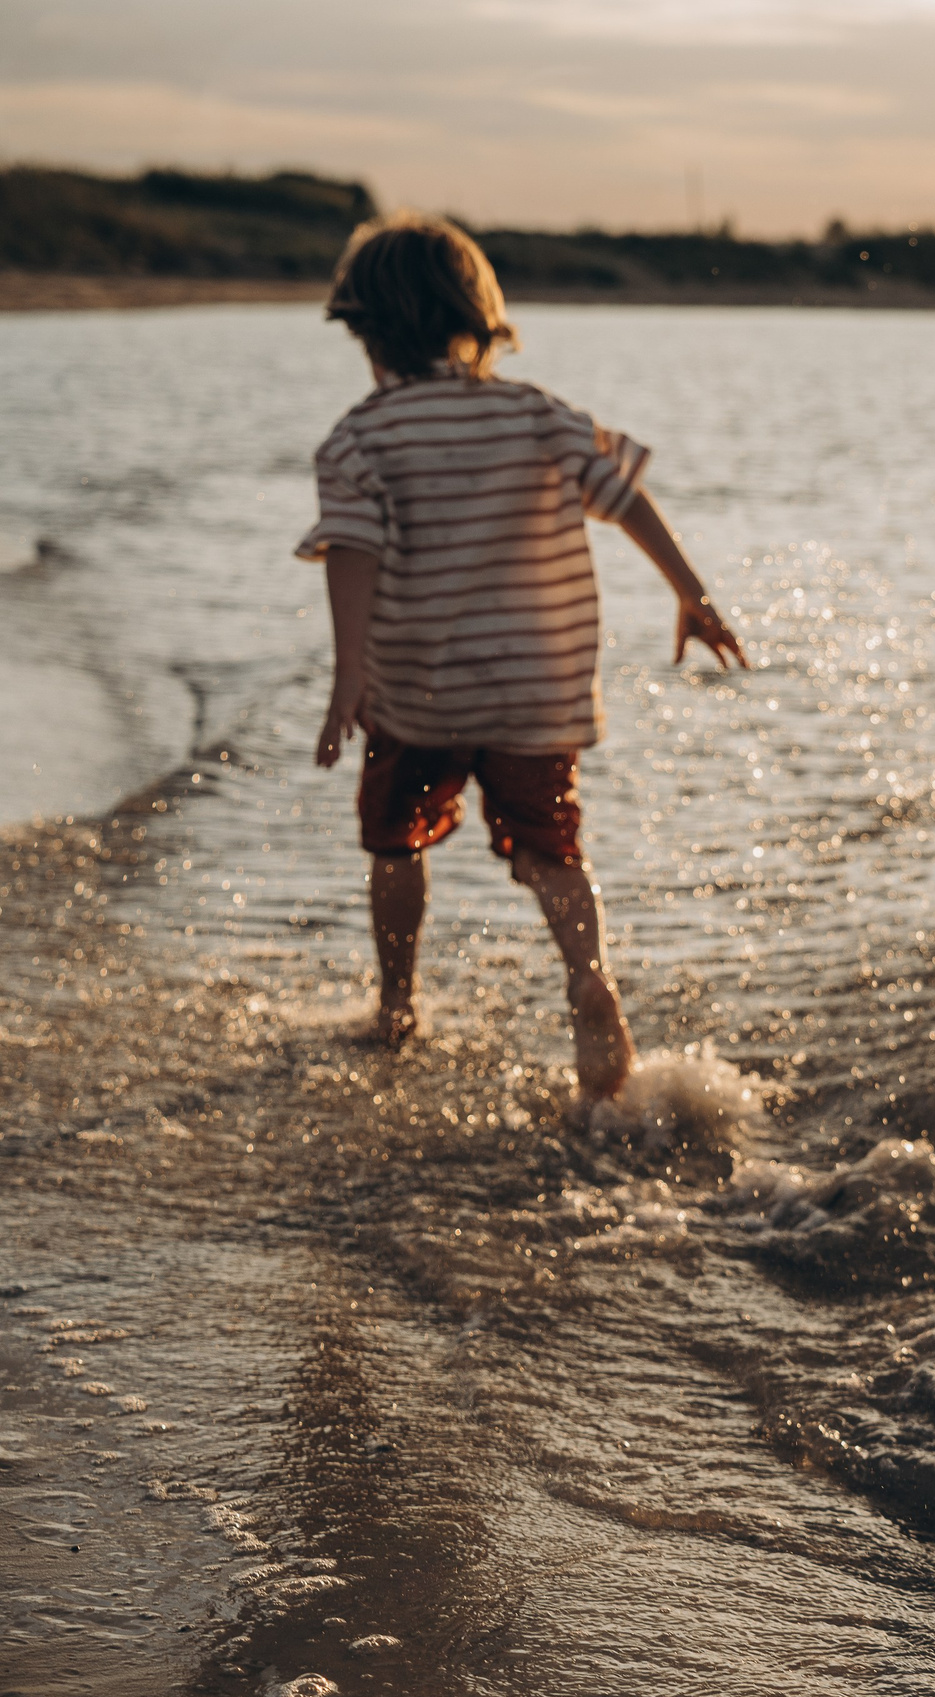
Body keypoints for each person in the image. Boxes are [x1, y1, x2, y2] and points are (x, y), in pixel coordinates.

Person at [298, 213, 747, 1106]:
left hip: (418, 693)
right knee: (551, 847)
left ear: (367, 331)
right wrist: (691, 594)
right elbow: (627, 500)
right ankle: (589, 976)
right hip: (538, 694)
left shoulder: (360, 438)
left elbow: (352, 552)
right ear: (478, 316)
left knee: (395, 840)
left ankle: (396, 1003)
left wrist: (350, 676)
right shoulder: (537, 413)